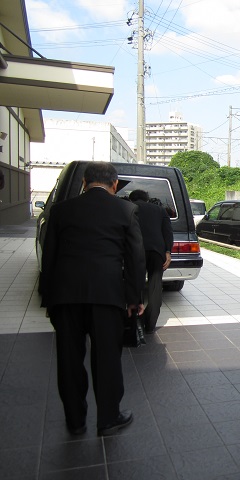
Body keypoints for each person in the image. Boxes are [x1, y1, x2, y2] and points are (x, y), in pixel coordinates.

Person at [40, 162, 146, 435]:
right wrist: (135, 298)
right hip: (107, 295)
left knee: (69, 359)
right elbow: (135, 258)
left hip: (65, 296)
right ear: (114, 185)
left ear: (84, 183)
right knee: (107, 357)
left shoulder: (61, 210)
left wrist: (49, 298)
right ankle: (108, 418)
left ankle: (75, 421)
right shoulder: (126, 210)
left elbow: (49, 255)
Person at [129, 189, 174, 334]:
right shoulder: (160, 210)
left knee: (136, 284)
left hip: (136, 251)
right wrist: (168, 252)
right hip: (157, 252)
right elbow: (167, 232)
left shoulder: (127, 208)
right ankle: (150, 324)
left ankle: (136, 322)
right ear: (147, 199)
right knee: (155, 287)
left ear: (132, 199)